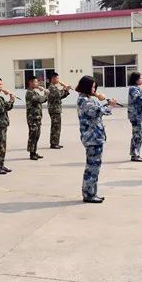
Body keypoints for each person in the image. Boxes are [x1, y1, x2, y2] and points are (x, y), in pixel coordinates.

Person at [75, 75, 116, 203]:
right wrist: (110, 106)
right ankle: (88, 194)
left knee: (95, 167)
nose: (94, 89)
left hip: (95, 137)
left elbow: (99, 109)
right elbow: (97, 112)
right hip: (92, 137)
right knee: (92, 167)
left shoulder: (88, 99)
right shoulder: (84, 101)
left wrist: (106, 103)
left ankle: (92, 192)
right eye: (92, 87)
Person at [25, 76, 49, 160]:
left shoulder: (35, 92)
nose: (37, 84)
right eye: (35, 82)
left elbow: (43, 100)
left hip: (37, 117)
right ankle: (31, 154)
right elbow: (40, 99)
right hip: (32, 118)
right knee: (33, 135)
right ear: (30, 83)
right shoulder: (29, 93)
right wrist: (46, 93)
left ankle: (34, 151)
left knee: (37, 135)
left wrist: (45, 94)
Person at [47, 72, 71, 149]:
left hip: (56, 109)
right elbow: (59, 94)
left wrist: (66, 90)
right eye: (57, 78)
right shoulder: (52, 87)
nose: (58, 80)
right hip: (54, 109)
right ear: (53, 79)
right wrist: (64, 88)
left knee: (57, 126)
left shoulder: (54, 87)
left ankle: (55, 142)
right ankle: (54, 143)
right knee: (55, 127)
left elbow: (60, 96)